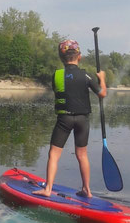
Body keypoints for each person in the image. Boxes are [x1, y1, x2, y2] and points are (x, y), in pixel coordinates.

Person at [38, 38, 106, 198]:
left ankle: (48, 189)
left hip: (64, 119)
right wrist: (102, 78)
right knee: (82, 154)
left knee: (54, 154)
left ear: (61, 58)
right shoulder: (86, 76)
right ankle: (86, 190)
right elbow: (102, 93)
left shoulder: (56, 75)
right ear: (79, 56)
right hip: (83, 120)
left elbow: (57, 89)